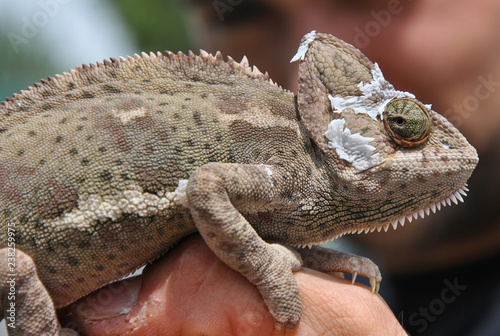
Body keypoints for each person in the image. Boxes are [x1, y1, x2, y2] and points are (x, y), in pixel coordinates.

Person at [72, 0, 500, 334]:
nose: (299, 85)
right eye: (241, 10)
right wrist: (268, 261)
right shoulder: (291, 169)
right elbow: (211, 189)